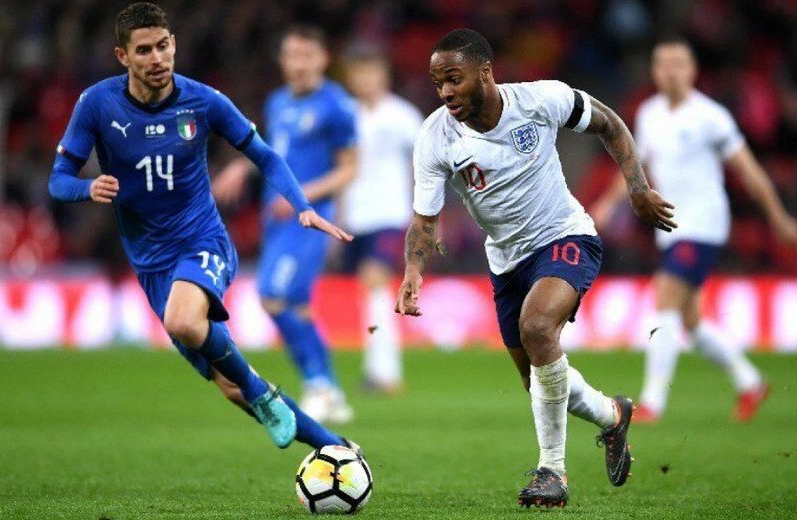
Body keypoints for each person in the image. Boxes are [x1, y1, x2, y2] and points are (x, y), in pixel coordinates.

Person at [48, 2, 360, 455]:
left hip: (202, 240)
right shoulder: (97, 104)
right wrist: (87, 187)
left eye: (163, 46)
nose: (157, 58)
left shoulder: (204, 101)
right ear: (123, 56)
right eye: (144, 50)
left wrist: (302, 206)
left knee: (184, 322)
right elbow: (58, 179)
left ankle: (260, 390)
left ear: (174, 44)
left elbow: (266, 156)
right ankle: (337, 448)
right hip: (151, 263)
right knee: (231, 387)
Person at [397, 29, 677, 508]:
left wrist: (637, 190)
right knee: (540, 381)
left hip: (565, 236)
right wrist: (413, 270)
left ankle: (552, 472)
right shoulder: (435, 136)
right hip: (506, 260)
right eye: (437, 82)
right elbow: (425, 219)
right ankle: (612, 415)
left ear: (485, 72)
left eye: (454, 79)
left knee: (537, 327)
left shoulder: (541, 100)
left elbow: (610, 124)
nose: (445, 92)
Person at [591, 38, 797, 423]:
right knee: (691, 322)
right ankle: (751, 382)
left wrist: (779, 218)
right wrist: (607, 204)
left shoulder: (710, 117)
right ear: (654, 71)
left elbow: (749, 170)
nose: (670, 71)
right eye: (663, 64)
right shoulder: (650, 113)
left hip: (703, 223)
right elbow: (635, 169)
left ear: (692, 70)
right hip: (670, 226)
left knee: (665, 294)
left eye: (678, 63)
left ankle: (652, 403)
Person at [213, 26, 357, 424]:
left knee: (274, 296)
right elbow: (274, 154)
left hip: (310, 219)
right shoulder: (278, 102)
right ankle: (329, 390)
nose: (299, 64)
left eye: (307, 56)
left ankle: (319, 384)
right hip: (275, 219)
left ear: (323, 59)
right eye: (293, 56)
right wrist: (242, 167)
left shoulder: (337, 106)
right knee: (296, 305)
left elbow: (349, 169)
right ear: (282, 60)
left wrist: (302, 196)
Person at [340, 48, 424, 394]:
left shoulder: (403, 116)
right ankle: (376, 369)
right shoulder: (345, 114)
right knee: (369, 288)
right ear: (350, 78)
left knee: (374, 280)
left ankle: (386, 372)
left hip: (391, 213)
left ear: (385, 76)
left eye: (372, 72)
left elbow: (426, 163)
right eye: (359, 73)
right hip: (354, 216)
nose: (366, 79)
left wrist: (425, 213)